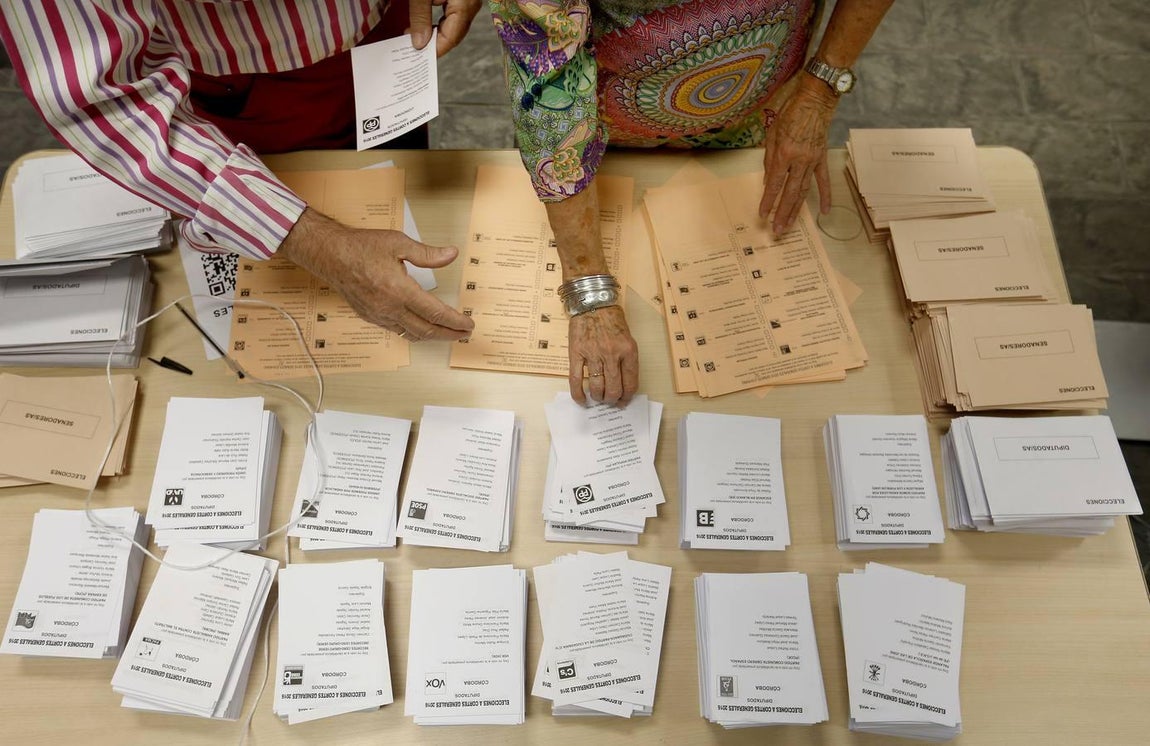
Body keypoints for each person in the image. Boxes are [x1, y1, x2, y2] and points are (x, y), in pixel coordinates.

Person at [0, 0, 482, 343]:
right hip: (248, 85)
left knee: (413, 189)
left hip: (390, 34)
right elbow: (104, 99)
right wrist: (317, 243)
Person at [491, 0, 893, 406]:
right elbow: (547, 72)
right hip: (600, 137)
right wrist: (589, 290)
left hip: (759, 106)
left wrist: (818, 91)